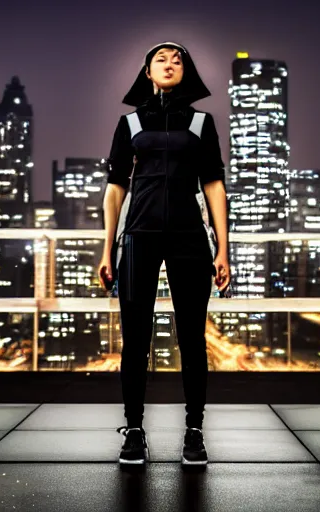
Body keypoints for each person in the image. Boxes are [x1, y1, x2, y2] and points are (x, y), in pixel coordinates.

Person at [98, 41, 230, 466]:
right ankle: (133, 431)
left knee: (192, 339)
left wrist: (223, 247)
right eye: (162, 59)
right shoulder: (131, 122)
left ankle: (195, 432)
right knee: (135, 341)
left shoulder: (201, 122)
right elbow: (115, 188)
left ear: (186, 71)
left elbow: (213, 185)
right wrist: (106, 248)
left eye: (178, 60)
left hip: (190, 238)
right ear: (147, 71)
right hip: (138, 236)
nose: (170, 64)